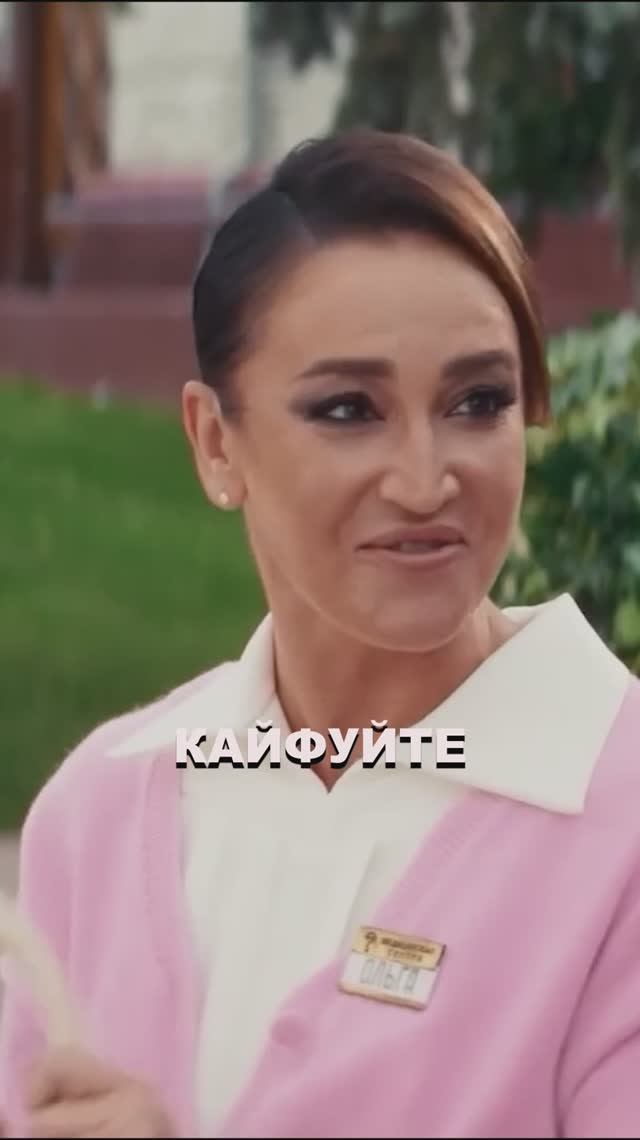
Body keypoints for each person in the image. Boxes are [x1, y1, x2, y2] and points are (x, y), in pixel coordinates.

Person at [1, 127, 639, 1140]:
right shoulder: (99, 816)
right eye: (349, 409)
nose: (426, 481)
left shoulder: (620, 824)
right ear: (217, 443)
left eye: (478, 401)